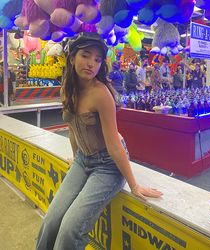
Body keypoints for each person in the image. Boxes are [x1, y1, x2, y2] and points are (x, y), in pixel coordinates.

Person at [36, 32, 162, 250]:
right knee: (51, 220)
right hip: (83, 161)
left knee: (70, 229)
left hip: (108, 165)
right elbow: (73, 128)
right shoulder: (67, 88)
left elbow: (113, 143)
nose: (91, 63)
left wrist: (134, 185)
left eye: (97, 59)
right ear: (73, 56)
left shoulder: (101, 94)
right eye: (86, 55)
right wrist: (76, 158)